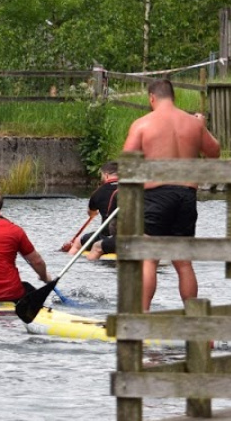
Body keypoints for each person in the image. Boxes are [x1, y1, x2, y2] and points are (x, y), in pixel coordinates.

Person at [122, 79, 221, 310]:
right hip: (186, 194)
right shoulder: (193, 125)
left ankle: (142, 314)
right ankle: (193, 317)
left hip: (157, 194)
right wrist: (202, 127)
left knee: (149, 258)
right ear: (173, 97)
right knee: (184, 263)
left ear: (152, 98)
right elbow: (214, 153)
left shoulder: (142, 124)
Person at [63, 161, 119, 257]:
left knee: (77, 242)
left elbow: (91, 213)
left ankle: (69, 259)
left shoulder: (98, 192)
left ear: (106, 175)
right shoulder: (131, 190)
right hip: (132, 235)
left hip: (106, 235)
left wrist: (94, 211)